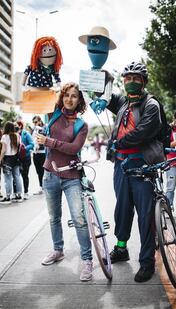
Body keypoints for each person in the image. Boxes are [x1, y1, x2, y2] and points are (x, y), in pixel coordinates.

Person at [90, 61, 164, 283]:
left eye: (136, 78)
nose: (131, 81)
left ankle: (147, 261)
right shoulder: (123, 102)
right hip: (120, 166)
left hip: (141, 165)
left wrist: (120, 143)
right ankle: (121, 248)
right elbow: (103, 92)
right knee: (122, 209)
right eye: (127, 78)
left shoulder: (151, 105)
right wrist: (97, 73)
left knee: (145, 214)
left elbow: (145, 131)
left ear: (143, 81)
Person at [36, 82, 93, 282]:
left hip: (72, 177)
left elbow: (72, 148)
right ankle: (57, 250)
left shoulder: (81, 125)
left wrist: (49, 142)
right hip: (50, 175)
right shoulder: (52, 115)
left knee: (79, 220)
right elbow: (42, 92)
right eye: (67, 95)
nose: (70, 99)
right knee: (54, 218)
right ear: (62, 97)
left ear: (79, 100)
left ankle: (87, 260)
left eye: (74, 96)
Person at [0, 122, 24, 204]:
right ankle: (19, 195)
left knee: (8, 178)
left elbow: (3, 150)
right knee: (17, 177)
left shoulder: (5, 136)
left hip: (7, 160)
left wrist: (0, 159)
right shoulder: (17, 135)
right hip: (16, 159)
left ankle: (8, 196)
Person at [16, 120, 35, 199]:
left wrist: (23, 149)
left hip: (25, 158)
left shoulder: (25, 134)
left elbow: (32, 144)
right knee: (16, 176)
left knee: (25, 175)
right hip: (17, 158)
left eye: (16, 125)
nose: (15, 126)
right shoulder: (15, 134)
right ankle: (17, 193)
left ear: (20, 126)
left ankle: (26, 192)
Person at [31, 116, 46, 195]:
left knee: (43, 171)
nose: (35, 124)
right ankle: (41, 186)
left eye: (36, 122)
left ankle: (44, 187)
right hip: (35, 153)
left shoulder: (44, 128)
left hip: (42, 153)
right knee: (38, 171)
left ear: (40, 121)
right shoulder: (34, 129)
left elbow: (44, 139)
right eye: (34, 122)